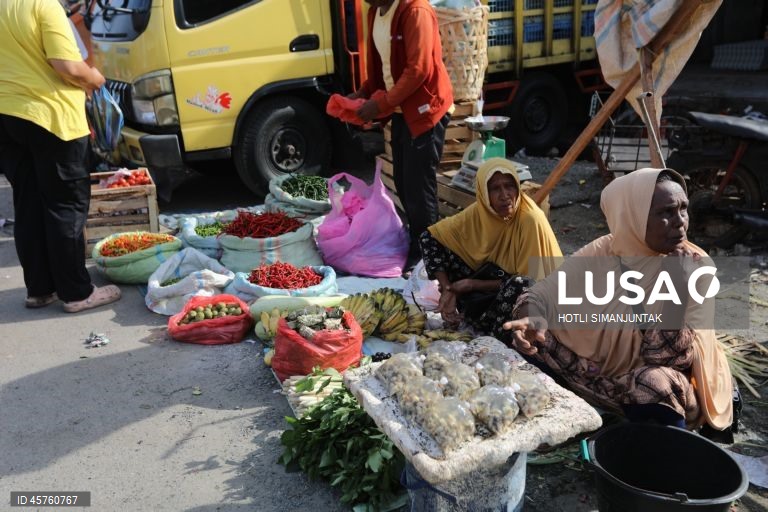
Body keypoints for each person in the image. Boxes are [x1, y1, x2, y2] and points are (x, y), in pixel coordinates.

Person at [503, 168, 735, 435]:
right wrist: (533, 317)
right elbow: (544, 292)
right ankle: (582, 398)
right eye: (666, 212)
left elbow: (665, 356)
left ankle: (664, 450)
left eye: (683, 209)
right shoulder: (607, 248)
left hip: (643, 383)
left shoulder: (694, 266)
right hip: (592, 372)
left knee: (653, 383)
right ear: (632, 217)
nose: (680, 221)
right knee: (529, 335)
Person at [0, 0, 121, 313]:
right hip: (50, 116)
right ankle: (77, 292)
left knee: (28, 202)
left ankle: (40, 289)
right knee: (65, 204)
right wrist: (95, 79)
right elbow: (66, 65)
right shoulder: (43, 6)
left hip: (7, 117)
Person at [352, 0, 454, 269]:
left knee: (419, 186)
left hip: (424, 109)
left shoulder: (415, 10)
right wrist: (364, 94)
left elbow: (418, 69)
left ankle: (429, 256)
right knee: (403, 181)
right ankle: (417, 241)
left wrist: (381, 103)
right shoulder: (376, 12)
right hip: (400, 110)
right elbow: (384, 65)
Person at [419, 158, 562, 337]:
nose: (504, 195)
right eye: (495, 188)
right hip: (484, 293)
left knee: (521, 285)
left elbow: (534, 281)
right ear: (484, 193)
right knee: (433, 241)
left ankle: (502, 334)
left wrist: (472, 284)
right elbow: (431, 236)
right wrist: (448, 289)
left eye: (509, 186)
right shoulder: (480, 212)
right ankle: (468, 314)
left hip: (525, 303)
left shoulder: (530, 219)